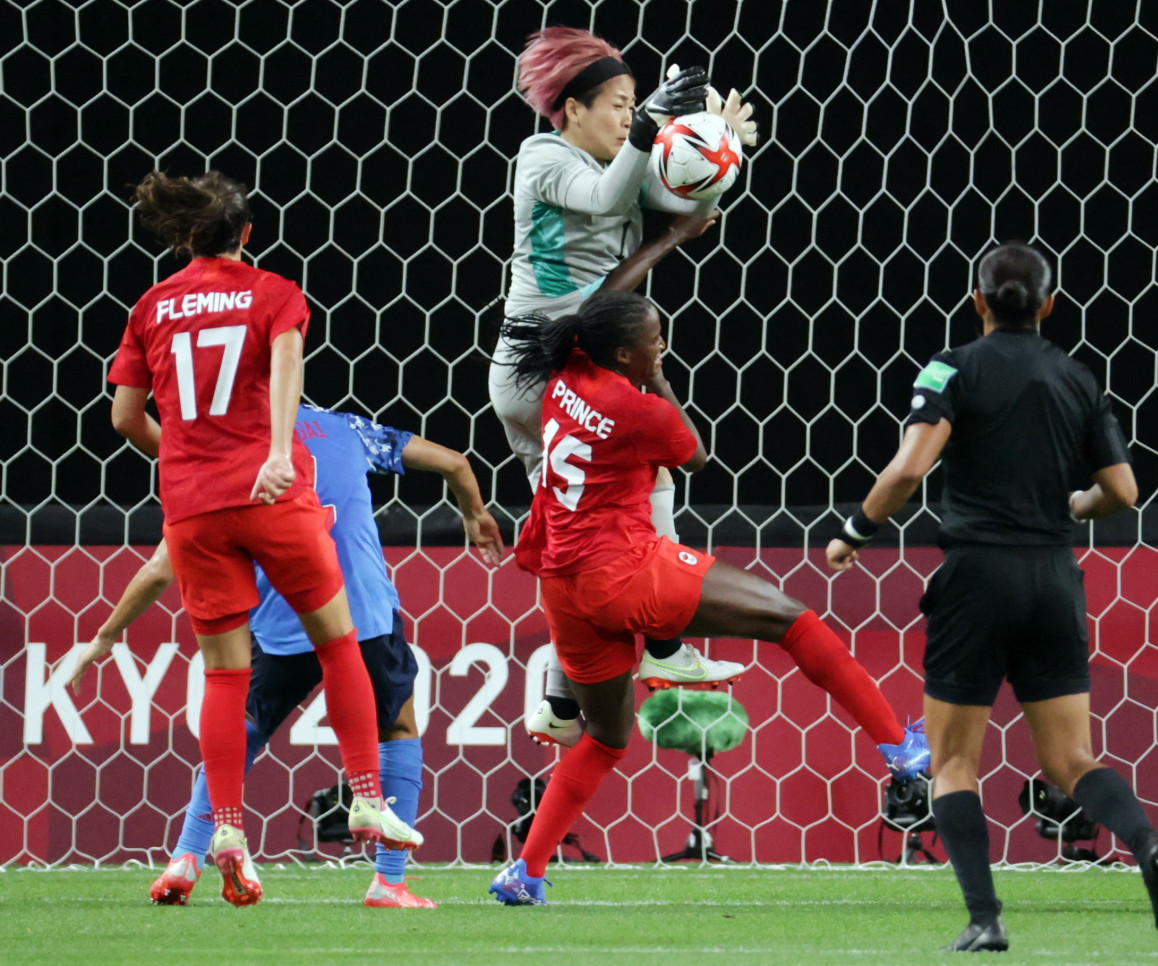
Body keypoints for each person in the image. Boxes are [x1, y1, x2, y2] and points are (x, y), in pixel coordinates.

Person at [485, 290, 929, 905]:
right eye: (654, 340)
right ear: (621, 352)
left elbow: (605, 321)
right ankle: (898, 745)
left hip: (563, 586)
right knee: (792, 620)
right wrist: (659, 379)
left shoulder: (566, 375)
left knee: (608, 737)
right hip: (625, 570)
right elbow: (696, 456)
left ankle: (524, 872)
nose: (662, 346)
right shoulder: (637, 407)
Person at [825, 242, 1158, 951]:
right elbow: (1123, 492)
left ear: (978, 302)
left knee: (953, 762)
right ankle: (1147, 843)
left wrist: (855, 531)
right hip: (1054, 578)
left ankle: (985, 919)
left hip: (977, 579)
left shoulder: (952, 368)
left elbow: (908, 468)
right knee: (1072, 761)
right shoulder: (1078, 378)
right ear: (1050, 306)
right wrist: (1073, 506)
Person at [107, 171, 422, 906]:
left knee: (223, 676)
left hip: (193, 508)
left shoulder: (150, 306)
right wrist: (277, 451)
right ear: (248, 234)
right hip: (267, 493)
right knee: (339, 641)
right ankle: (368, 797)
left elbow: (124, 417)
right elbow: (286, 365)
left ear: (186, 236)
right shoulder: (274, 291)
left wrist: (188, 462)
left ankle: (224, 828)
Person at [69, 404, 504, 907]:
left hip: (281, 621)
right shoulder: (350, 430)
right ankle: (389, 881)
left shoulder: (224, 448)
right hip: (361, 611)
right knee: (397, 727)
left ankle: (185, 859)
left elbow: (161, 567)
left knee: (240, 734)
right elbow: (455, 462)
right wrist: (475, 513)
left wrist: (103, 637)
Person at [491, 27, 760, 744]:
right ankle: (667, 647)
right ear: (571, 109)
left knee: (575, 539)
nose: (626, 118)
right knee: (655, 476)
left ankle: (559, 698)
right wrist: (655, 138)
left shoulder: (622, 155)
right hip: (541, 371)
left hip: (556, 369)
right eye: (616, 104)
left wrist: (717, 141)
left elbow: (682, 188)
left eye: (633, 104)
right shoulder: (543, 157)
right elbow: (612, 203)